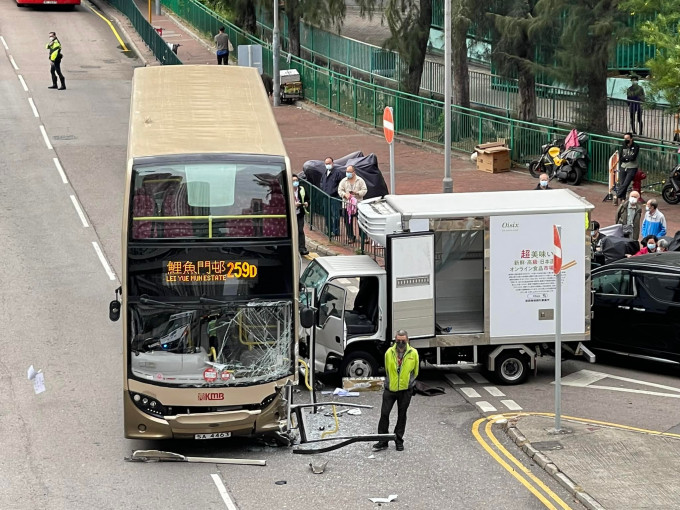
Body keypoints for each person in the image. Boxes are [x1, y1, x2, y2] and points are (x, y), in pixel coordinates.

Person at [373, 330, 419, 452]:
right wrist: (389, 383)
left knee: (402, 415)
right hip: (390, 389)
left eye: (403, 341)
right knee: (384, 414)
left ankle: (398, 440)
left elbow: (416, 371)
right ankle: (383, 440)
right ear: (395, 340)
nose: (400, 343)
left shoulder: (413, 353)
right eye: (398, 340)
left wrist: (409, 383)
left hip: (405, 390)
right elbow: (387, 369)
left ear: (407, 340)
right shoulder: (389, 352)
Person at [338, 165, 367, 243]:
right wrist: (345, 195)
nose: (348, 173)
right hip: (347, 205)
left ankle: (363, 237)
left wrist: (357, 193)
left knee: (360, 221)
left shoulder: (360, 180)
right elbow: (340, 190)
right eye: (347, 172)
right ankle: (351, 236)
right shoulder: (343, 181)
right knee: (347, 222)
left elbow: (364, 190)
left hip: (358, 204)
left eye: (349, 172)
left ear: (354, 172)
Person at [319, 157, 343, 237]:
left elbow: (340, 184)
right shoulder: (325, 173)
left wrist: (334, 191)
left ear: (333, 163)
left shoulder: (337, 173)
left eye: (329, 163)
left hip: (334, 197)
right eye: (326, 164)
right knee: (327, 214)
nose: (328, 165)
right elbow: (322, 183)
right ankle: (329, 230)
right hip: (325, 197)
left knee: (335, 214)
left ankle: (336, 230)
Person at [615, 133, 640, 206]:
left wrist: (627, 158)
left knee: (626, 183)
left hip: (632, 167)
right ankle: (622, 199)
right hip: (623, 166)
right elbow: (621, 158)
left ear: (631, 139)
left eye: (627, 139)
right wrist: (627, 158)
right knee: (622, 183)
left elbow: (633, 157)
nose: (626, 140)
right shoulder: (623, 145)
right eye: (625, 139)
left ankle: (616, 196)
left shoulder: (636, 146)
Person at [292, 174, 309, 255]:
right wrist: (293, 204)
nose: (295, 182)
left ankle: (302, 248)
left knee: (300, 230)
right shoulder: (287, 190)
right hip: (291, 214)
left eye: (296, 180)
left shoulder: (302, 189)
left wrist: (306, 203)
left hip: (299, 213)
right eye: (293, 181)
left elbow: (308, 199)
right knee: (292, 231)